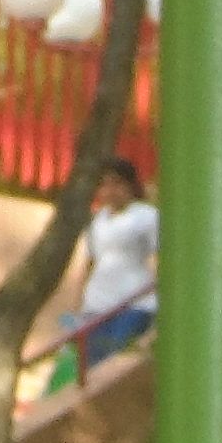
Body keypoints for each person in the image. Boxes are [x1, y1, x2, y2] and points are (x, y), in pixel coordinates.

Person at [66, 160, 159, 375]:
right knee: (92, 368)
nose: (110, 191)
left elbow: (159, 257)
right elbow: (88, 264)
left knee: (115, 361)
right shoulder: (97, 221)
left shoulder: (146, 216)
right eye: (104, 185)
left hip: (134, 303)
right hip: (97, 306)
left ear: (130, 186)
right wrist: (76, 307)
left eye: (117, 184)